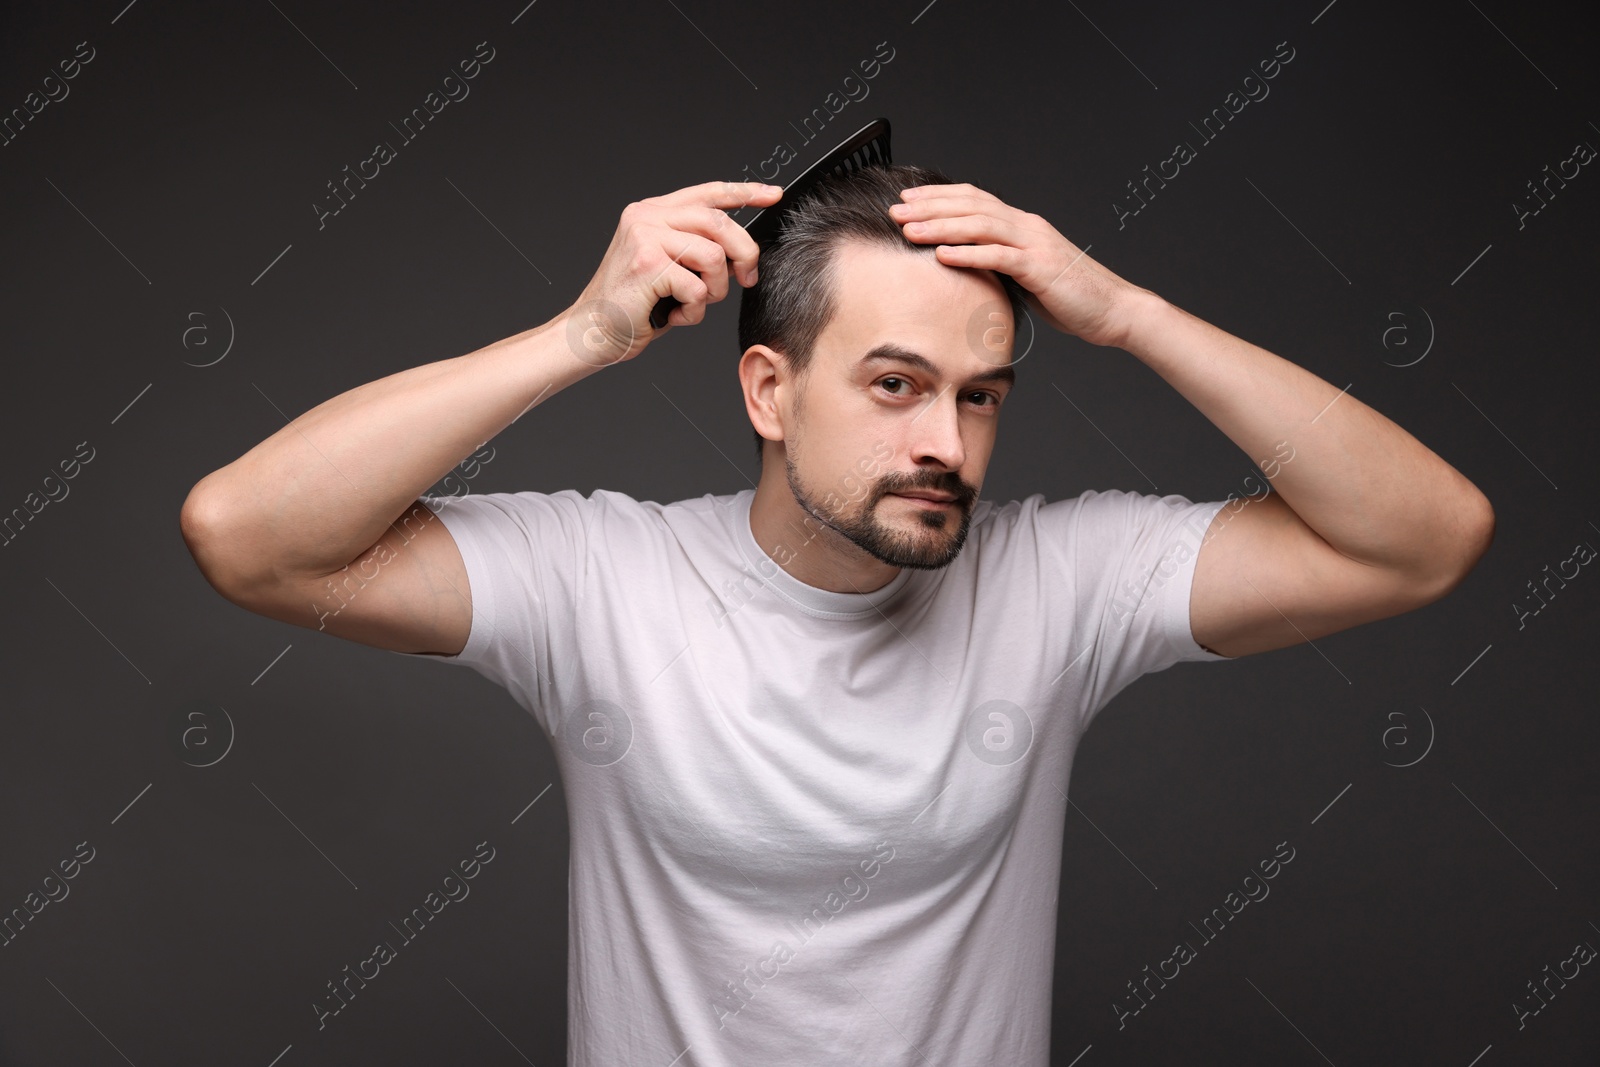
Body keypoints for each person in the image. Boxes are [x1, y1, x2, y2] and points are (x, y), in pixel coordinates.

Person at [179, 163, 1494, 1065]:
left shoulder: (1058, 583)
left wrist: (1135, 317)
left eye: (980, 395)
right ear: (768, 389)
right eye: (895, 384)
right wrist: (581, 335)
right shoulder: (605, 581)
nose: (948, 442)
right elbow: (249, 537)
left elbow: (1427, 541)